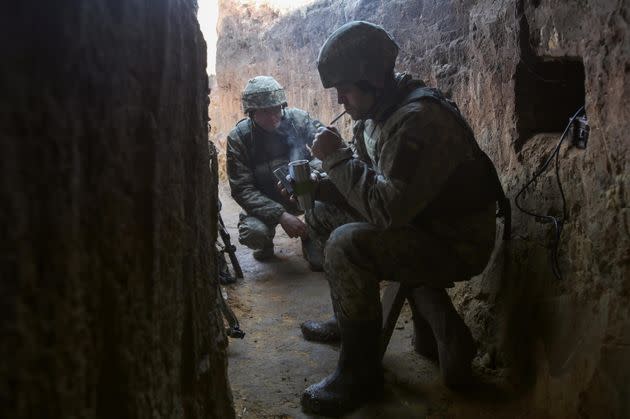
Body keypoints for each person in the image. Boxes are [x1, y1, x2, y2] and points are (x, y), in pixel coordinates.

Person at [298, 21, 506, 416]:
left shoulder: (417, 120)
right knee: (322, 215)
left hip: (455, 242)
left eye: (345, 88)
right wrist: (324, 186)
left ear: (371, 78)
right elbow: (373, 182)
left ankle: (360, 374)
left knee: (346, 245)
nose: (341, 99)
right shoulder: (382, 110)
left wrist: (336, 158)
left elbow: (387, 210)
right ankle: (350, 321)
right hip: (422, 224)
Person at [226, 76, 325, 269]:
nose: (273, 117)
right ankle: (265, 243)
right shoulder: (239, 138)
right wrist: (280, 215)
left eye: (276, 109)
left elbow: (327, 148)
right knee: (254, 233)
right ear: (252, 113)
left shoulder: (298, 119)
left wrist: (314, 171)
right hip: (265, 202)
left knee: (319, 260)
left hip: (301, 192)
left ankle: (311, 235)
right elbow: (242, 190)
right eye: (264, 112)